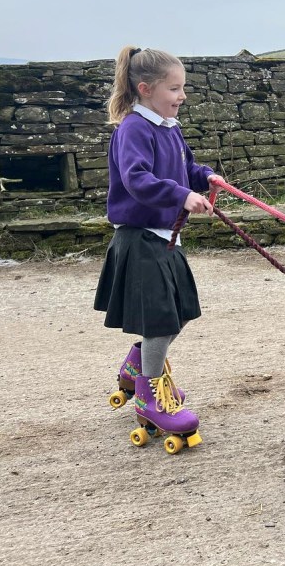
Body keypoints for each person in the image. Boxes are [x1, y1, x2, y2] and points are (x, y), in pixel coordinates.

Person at [94, 46, 222, 452]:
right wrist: (181, 196)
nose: (182, 96)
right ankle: (151, 399)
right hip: (141, 237)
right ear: (146, 89)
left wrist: (205, 178)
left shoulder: (169, 126)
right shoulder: (133, 129)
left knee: (177, 314)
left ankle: (137, 367)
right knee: (160, 323)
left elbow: (186, 167)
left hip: (166, 239)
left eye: (183, 88)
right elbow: (136, 179)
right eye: (175, 88)